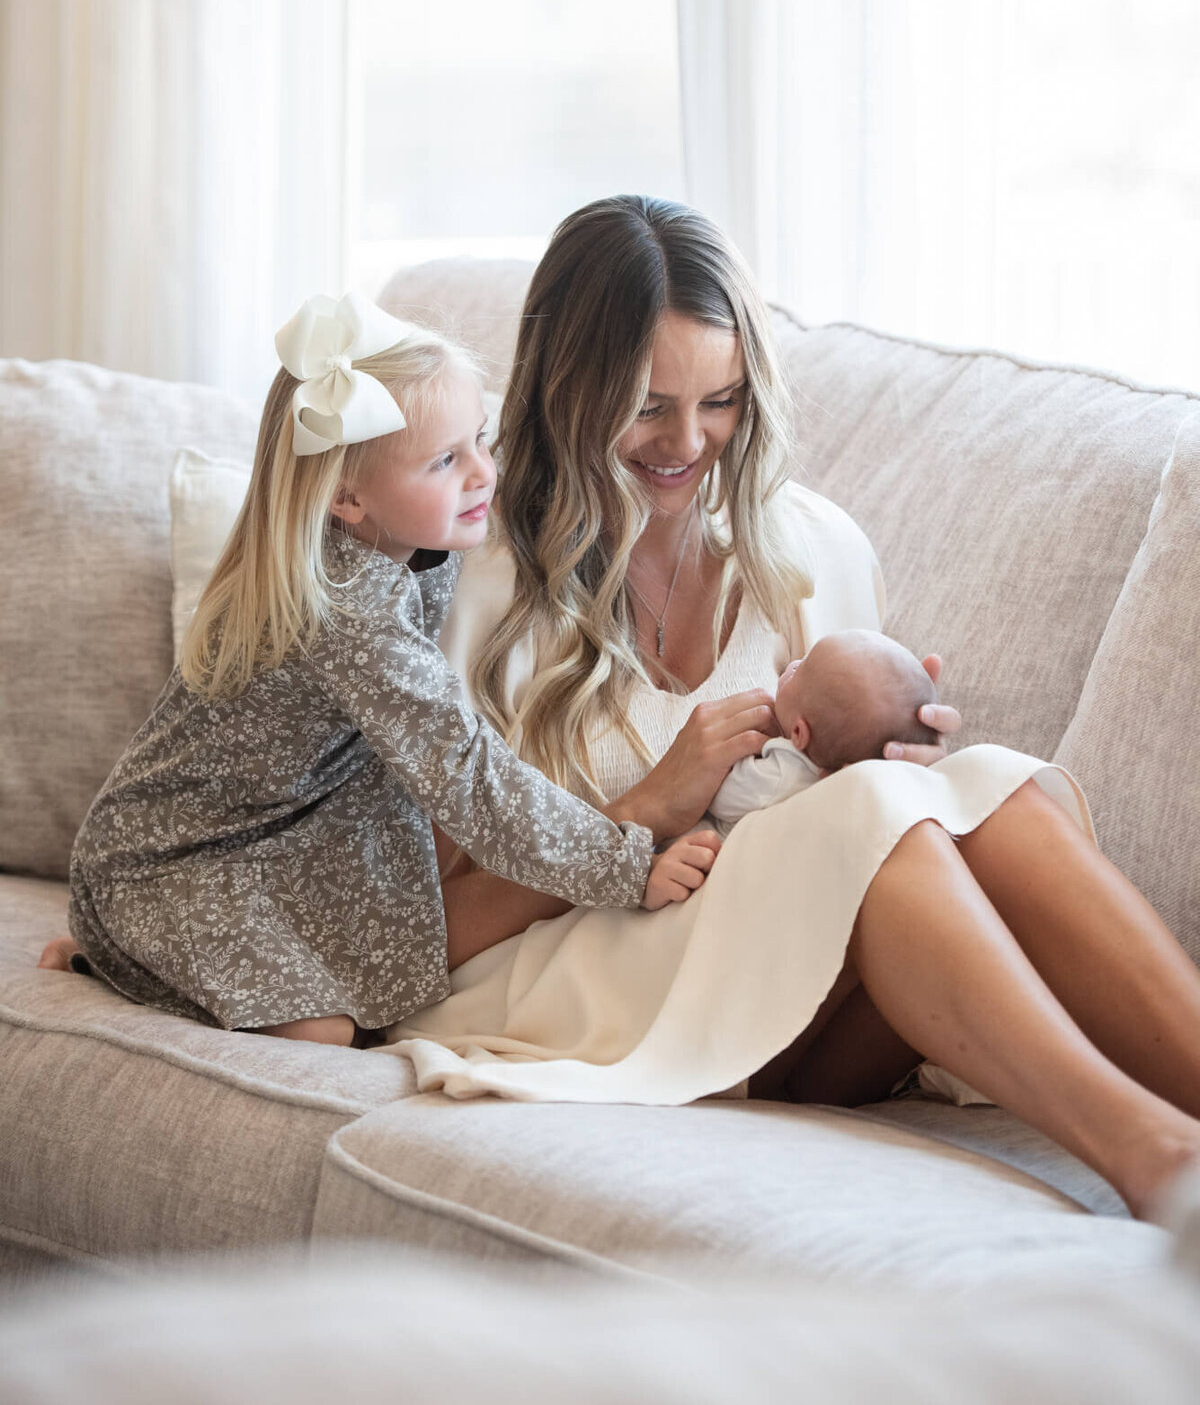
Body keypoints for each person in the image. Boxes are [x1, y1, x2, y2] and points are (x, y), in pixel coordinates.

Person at [378, 196, 1200, 1222]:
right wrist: (644, 811)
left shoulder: (808, 550)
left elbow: (848, 814)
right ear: (564, 389)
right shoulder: (469, 583)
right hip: (575, 990)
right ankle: (1157, 1158)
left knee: (988, 786)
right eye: (645, 404)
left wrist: (888, 757)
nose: (688, 442)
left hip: (794, 994)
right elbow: (418, 933)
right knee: (875, 819)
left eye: (719, 400)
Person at [39, 293, 725, 1045]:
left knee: (375, 955)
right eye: (444, 460)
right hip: (169, 860)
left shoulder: (409, 537)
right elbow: (468, 776)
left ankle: (137, 951)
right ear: (345, 497)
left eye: (479, 442)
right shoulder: (344, 609)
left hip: (284, 831)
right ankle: (116, 946)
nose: (481, 475)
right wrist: (622, 866)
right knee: (324, 1034)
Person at [704, 630, 939, 840]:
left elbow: (719, 801)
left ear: (798, 733)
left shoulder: (782, 773)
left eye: (802, 670)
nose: (794, 662)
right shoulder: (860, 792)